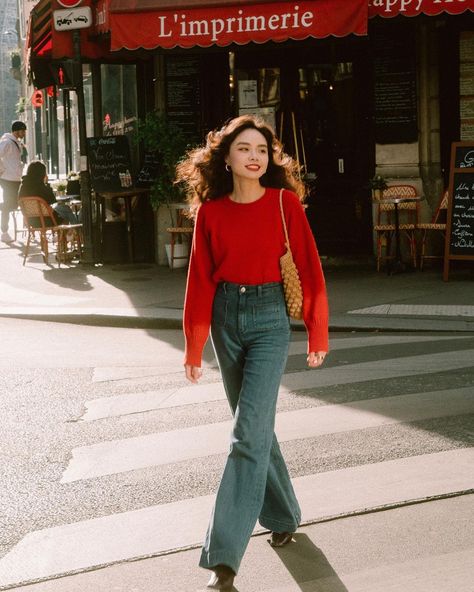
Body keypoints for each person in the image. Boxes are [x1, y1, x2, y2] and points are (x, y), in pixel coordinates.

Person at [177, 115, 329, 590]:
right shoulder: (211, 212)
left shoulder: (286, 204)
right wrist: (194, 345)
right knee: (256, 426)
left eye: (262, 150)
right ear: (226, 158)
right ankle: (284, 516)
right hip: (226, 317)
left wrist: (317, 331)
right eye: (244, 148)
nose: (254, 157)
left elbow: (309, 268)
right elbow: (200, 279)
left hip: (269, 319)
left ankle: (224, 557)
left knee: (246, 435)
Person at [18, 161, 79, 225]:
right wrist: (46, 183)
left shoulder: (23, 186)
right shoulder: (40, 186)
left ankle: (67, 232)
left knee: (63, 210)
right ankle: (77, 230)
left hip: (31, 222)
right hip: (47, 220)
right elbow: (52, 200)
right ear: (42, 174)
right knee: (65, 208)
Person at [0, 120, 27, 242]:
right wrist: (2, 170)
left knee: (15, 203)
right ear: (17, 130)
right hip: (8, 178)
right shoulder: (7, 142)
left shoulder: (15, 142)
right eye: (23, 130)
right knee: (8, 204)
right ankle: (4, 232)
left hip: (14, 178)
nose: (24, 133)